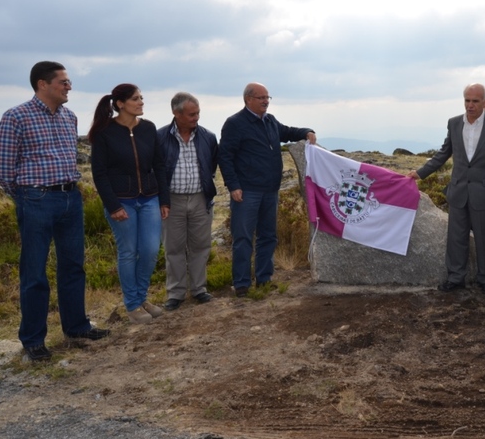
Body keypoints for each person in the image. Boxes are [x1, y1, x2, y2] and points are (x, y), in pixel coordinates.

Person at [0, 61, 110, 361]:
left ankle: (77, 327)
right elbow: (3, 168)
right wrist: (26, 197)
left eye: (68, 81)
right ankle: (33, 341)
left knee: (73, 266)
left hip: (70, 197)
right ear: (42, 84)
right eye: (63, 81)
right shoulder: (16, 116)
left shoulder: (69, 117)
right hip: (36, 201)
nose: (69, 86)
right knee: (34, 272)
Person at [408, 84, 485, 295]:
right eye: (467, 101)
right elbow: (443, 153)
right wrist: (419, 173)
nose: (470, 105)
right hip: (459, 190)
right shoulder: (454, 123)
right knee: (456, 237)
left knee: (484, 237)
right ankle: (455, 278)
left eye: (475, 101)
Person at [219, 83, 316, 297]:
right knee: (243, 238)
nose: (265, 101)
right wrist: (233, 186)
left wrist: (306, 131)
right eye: (261, 97)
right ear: (248, 100)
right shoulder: (235, 123)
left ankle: (264, 279)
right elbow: (225, 156)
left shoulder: (270, 121)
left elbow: (287, 132)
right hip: (247, 191)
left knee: (268, 237)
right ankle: (242, 284)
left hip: (270, 190)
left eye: (267, 97)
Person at [88, 84, 170, 325]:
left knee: (150, 250)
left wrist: (164, 199)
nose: (141, 102)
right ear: (120, 104)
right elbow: (99, 173)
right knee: (128, 252)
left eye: (141, 97)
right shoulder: (105, 132)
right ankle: (133, 305)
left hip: (149, 199)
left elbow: (159, 165)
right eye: (136, 99)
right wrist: (113, 206)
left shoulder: (148, 128)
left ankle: (142, 298)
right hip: (122, 202)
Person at [157, 92, 219, 311]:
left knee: (200, 246)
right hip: (171, 201)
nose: (196, 118)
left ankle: (199, 289)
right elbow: (156, 170)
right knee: (173, 248)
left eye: (198, 113)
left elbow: (210, 167)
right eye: (192, 114)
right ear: (176, 113)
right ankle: (175, 293)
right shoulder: (160, 137)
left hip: (201, 199)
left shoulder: (208, 137)